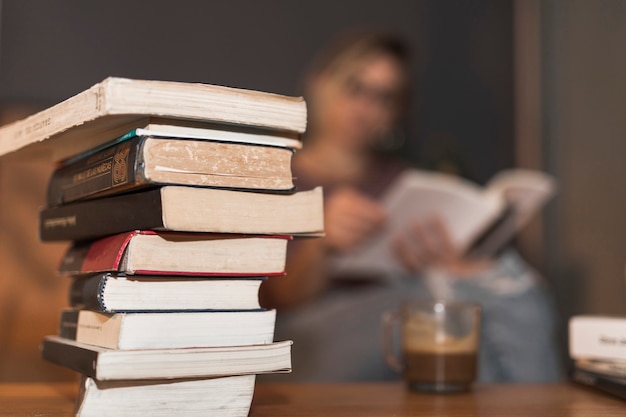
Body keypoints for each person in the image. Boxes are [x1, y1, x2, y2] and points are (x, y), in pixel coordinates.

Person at [259, 32, 562, 382]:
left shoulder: (405, 183)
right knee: (436, 307)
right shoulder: (276, 179)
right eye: (355, 87)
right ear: (320, 83)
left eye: (384, 97)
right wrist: (321, 244)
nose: (366, 108)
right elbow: (272, 301)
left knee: (516, 289)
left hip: (395, 330)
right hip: (310, 338)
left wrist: (449, 265)